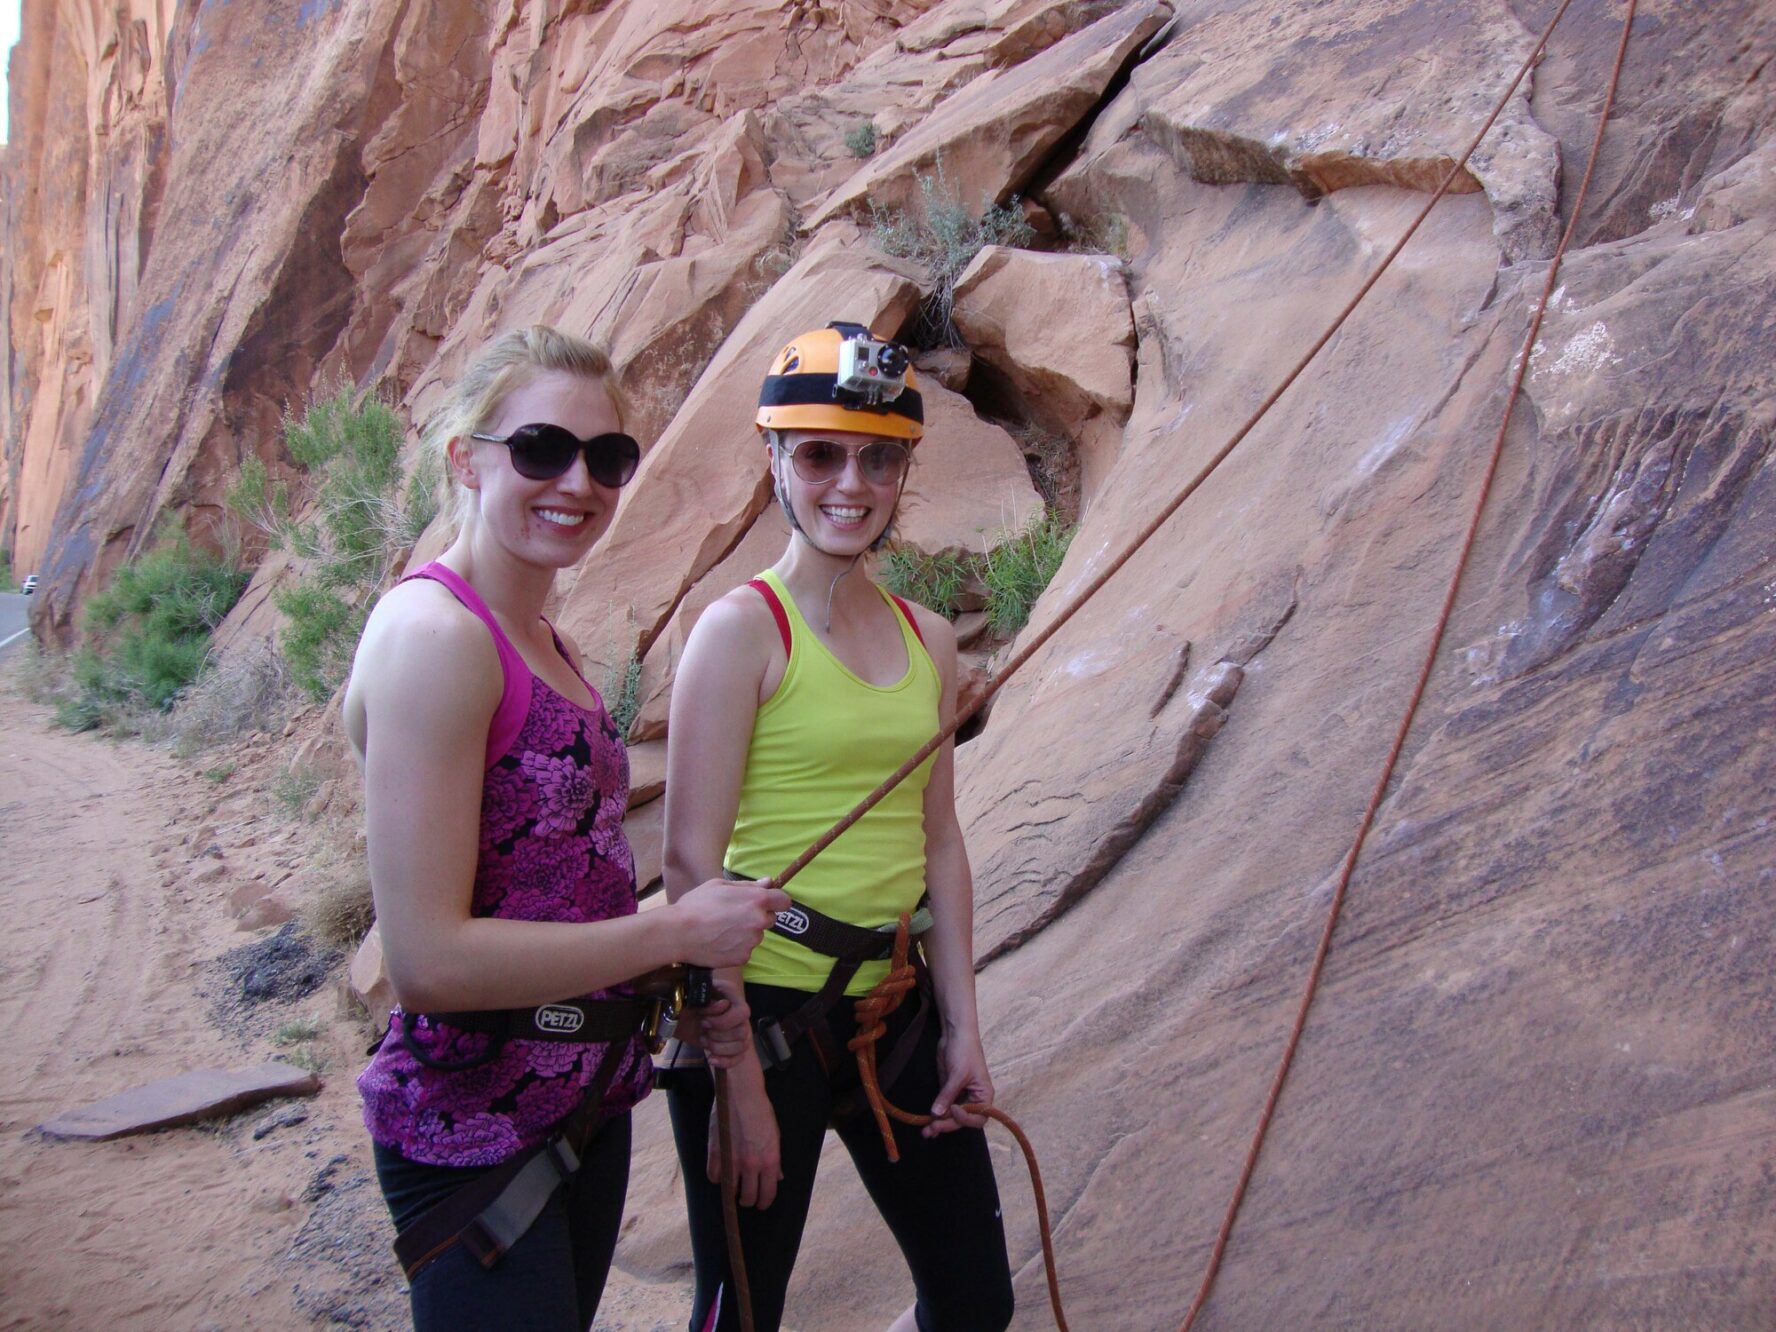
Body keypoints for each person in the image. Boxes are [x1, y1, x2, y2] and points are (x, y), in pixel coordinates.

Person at [346, 325, 788, 1332]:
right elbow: (427, 960)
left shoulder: (544, 640)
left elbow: (546, 878)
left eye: (607, 457)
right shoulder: (435, 638)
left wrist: (667, 982)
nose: (577, 482)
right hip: (475, 1130)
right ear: (467, 458)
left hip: (582, 1104)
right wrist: (673, 933)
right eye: (541, 448)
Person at [661, 322, 1015, 1331]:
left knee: (973, 1302)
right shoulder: (738, 634)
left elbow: (937, 841)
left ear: (904, 469)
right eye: (820, 454)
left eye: (880, 457)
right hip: (762, 1013)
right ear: (774, 458)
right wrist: (736, 1082)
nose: (849, 484)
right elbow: (691, 871)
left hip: (892, 1004)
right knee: (741, 1313)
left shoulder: (928, 638)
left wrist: (963, 1026)